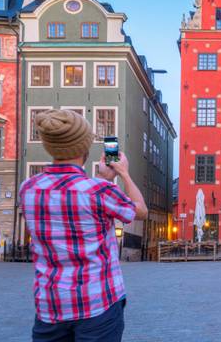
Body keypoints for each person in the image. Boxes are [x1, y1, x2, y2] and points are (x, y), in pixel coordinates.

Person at [19, 109, 147, 342]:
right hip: (97, 304)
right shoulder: (99, 191)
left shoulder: (28, 189)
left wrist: (103, 182)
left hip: (51, 305)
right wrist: (123, 174)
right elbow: (140, 210)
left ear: (49, 147)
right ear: (85, 148)